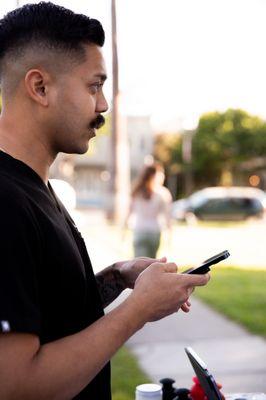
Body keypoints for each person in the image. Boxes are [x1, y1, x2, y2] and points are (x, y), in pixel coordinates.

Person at [0, 3, 209, 399]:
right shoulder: (5, 201)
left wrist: (115, 279)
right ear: (40, 87)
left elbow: (46, 313)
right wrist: (138, 310)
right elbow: (15, 386)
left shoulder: (35, 187)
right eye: (94, 86)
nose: (103, 106)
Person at [126, 162, 173, 258]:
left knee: (138, 264)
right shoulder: (163, 193)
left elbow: (129, 212)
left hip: (139, 231)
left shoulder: (136, 191)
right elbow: (167, 217)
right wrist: (170, 234)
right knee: (150, 264)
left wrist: (122, 231)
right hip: (154, 233)